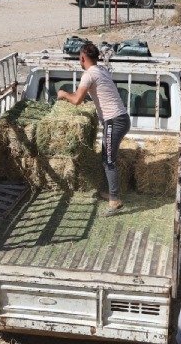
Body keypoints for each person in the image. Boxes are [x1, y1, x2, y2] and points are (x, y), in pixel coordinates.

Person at [56, 41, 131, 215]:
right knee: (107, 157)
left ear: (82, 57)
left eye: (79, 59)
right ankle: (111, 193)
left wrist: (63, 94)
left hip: (114, 121)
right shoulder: (101, 70)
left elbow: (76, 100)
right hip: (119, 119)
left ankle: (115, 200)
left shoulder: (89, 74)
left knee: (108, 160)